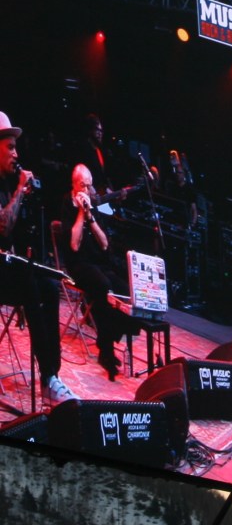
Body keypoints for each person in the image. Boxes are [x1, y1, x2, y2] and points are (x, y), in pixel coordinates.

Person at [0, 111, 77, 406]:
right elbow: (3, 225)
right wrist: (20, 189)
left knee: (48, 284)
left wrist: (27, 198)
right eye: (10, 147)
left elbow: (20, 237)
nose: (16, 154)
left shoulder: (9, 183)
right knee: (32, 281)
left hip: (10, 270)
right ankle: (48, 379)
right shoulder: (8, 186)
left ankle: (51, 376)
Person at [61, 163, 139, 380]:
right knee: (104, 287)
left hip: (99, 264)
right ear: (73, 185)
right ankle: (106, 349)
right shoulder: (67, 204)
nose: (86, 191)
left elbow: (105, 244)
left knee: (126, 291)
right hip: (78, 265)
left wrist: (90, 216)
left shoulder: (94, 205)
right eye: (82, 186)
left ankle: (110, 337)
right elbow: (74, 246)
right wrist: (79, 214)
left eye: (89, 186)